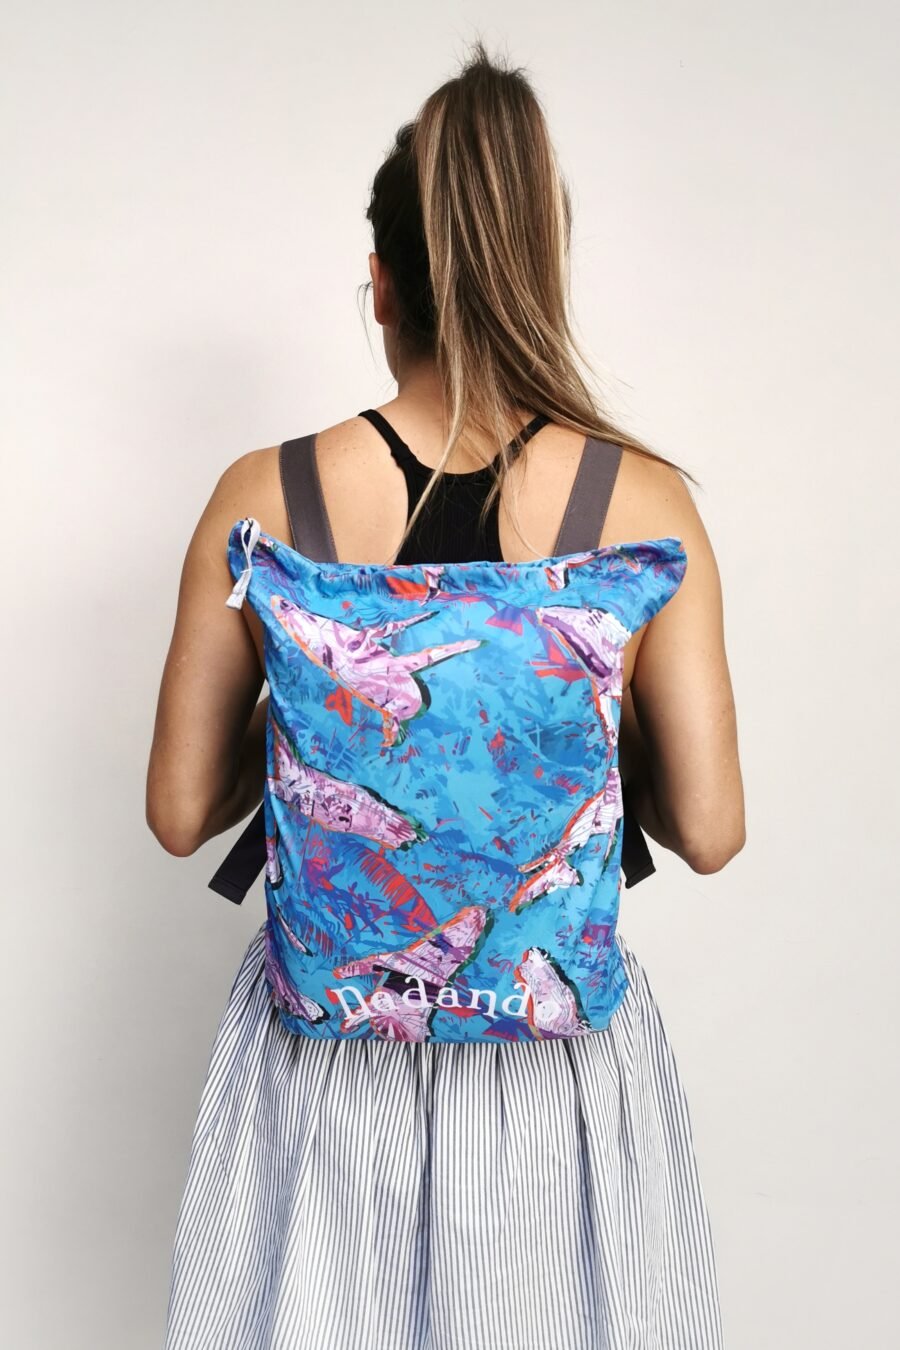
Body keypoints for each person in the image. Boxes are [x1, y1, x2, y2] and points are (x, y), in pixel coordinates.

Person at [148, 39, 744, 1350]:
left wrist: (321, 704)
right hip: (550, 1050)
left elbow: (181, 813)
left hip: (329, 1056)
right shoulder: (642, 506)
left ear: (381, 284)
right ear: (539, 265)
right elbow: (707, 830)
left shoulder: (265, 498)